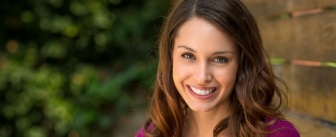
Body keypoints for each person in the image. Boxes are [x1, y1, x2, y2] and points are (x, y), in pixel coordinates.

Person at [136, 0, 300, 136]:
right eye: (188, 56)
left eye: (220, 59)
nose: (202, 77)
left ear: (243, 63)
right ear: (170, 57)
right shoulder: (151, 134)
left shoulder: (278, 134)